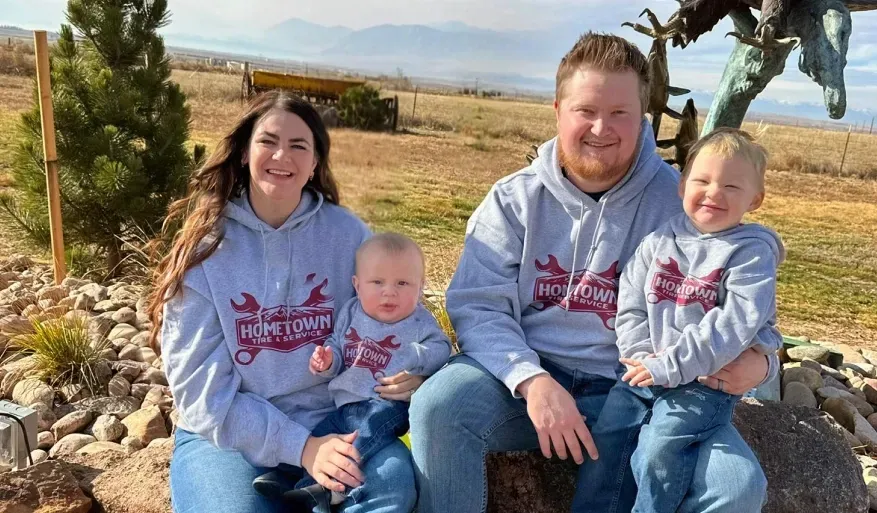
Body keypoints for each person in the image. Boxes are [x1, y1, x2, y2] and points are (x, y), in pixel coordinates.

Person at [408, 32, 778, 513]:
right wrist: (531, 380)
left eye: (620, 112)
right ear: (558, 109)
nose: (601, 128)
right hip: (524, 383)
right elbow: (478, 305)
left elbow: (745, 302)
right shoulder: (514, 200)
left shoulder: (686, 205)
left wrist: (763, 365)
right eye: (586, 110)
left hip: (647, 390)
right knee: (439, 406)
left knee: (735, 486)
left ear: (642, 118)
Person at [147, 91, 420, 513]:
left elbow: (394, 317)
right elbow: (202, 392)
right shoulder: (206, 249)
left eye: (298, 146)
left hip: (337, 423)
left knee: (393, 488)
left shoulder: (348, 236)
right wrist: (302, 448)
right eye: (268, 141)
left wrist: (413, 371)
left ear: (315, 163)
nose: (282, 156)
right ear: (243, 152)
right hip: (228, 436)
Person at [577, 127, 785, 512]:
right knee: (607, 437)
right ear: (682, 185)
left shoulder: (751, 255)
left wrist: (670, 366)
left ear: (755, 200)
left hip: (702, 382)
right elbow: (631, 305)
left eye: (731, 186)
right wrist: (640, 356)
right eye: (702, 181)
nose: (713, 193)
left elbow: (731, 326)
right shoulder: (658, 242)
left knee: (660, 446)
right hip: (646, 371)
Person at [254, 232, 452, 511]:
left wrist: (417, 357)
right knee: (323, 436)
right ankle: (293, 478)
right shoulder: (350, 312)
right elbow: (338, 346)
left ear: (420, 288)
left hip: (387, 403)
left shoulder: (419, 321)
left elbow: (442, 348)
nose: (389, 291)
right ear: (357, 286)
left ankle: (324, 489)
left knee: (363, 436)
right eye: (377, 282)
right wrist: (328, 361)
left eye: (403, 283)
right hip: (346, 405)